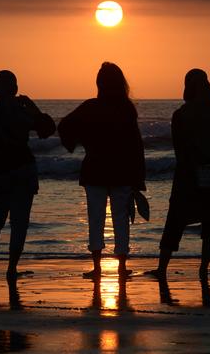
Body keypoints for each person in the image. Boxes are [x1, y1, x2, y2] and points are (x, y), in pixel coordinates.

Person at [146, 69, 210, 280]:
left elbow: (180, 149)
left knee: (175, 221)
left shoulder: (181, 115)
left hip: (188, 176)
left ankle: (162, 269)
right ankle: (203, 270)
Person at [58, 62, 146, 279]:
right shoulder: (126, 109)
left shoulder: (90, 107)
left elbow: (64, 126)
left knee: (95, 218)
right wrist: (139, 178)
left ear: (99, 83)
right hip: (121, 171)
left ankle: (97, 268)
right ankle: (121, 267)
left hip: (94, 170)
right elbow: (136, 145)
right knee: (120, 219)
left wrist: (78, 142)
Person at [0, 70, 55, 280]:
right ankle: (11, 269)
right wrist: (35, 110)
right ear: (15, 89)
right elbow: (47, 130)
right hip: (23, 169)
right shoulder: (23, 112)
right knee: (19, 222)